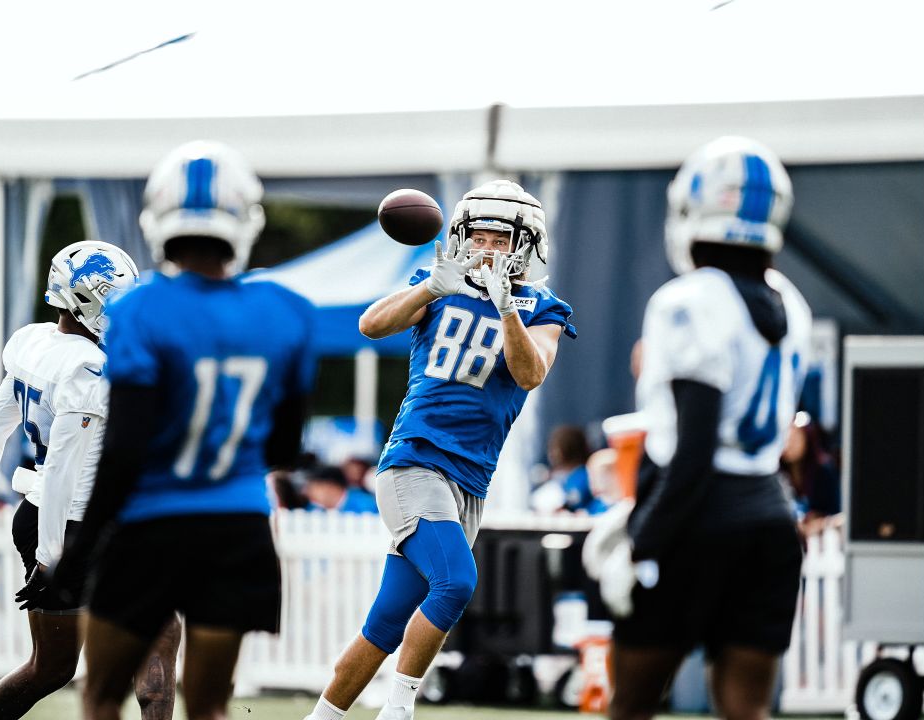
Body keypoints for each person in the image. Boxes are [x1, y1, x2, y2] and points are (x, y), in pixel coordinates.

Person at [43, 140, 317, 720]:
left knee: (100, 699)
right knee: (211, 705)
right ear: (244, 219)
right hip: (238, 530)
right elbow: (285, 448)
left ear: (159, 218)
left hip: (151, 528)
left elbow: (125, 451)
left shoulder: (142, 308)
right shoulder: (286, 310)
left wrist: (78, 552)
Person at [307, 180, 576, 720]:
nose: (485, 248)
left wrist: (507, 312)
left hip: (469, 479)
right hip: (415, 459)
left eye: (499, 239)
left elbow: (530, 373)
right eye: (476, 235)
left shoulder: (544, 309)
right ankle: (400, 709)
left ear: (526, 244)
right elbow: (371, 324)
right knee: (456, 581)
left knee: (385, 623)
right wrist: (431, 287)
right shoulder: (438, 284)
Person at [584, 136, 811, 720]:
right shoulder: (793, 303)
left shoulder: (688, 301)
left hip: (697, 516)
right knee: (746, 709)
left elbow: (695, 447)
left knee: (631, 704)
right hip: (769, 516)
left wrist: (643, 540)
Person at [0, 239, 182, 720]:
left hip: (40, 520)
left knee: (49, 668)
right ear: (83, 300)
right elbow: (61, 472)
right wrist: (57, 559)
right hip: (79, 528)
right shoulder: (87, 370)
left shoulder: (33, 342)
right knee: (159, 636)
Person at [306, 465, 379, 514]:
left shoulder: (366, 504)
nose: (308, 492)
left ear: (330, 487)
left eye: (315, 487)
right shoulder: (314, 508)